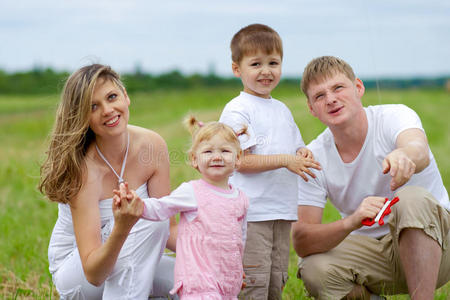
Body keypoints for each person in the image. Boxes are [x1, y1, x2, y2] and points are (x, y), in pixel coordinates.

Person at [292, 56, 450, 299]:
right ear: (312, 109)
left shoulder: (394, 116)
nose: (331, 99)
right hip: (374, 254)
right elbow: (302, 241)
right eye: (319, 96)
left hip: (438, 246)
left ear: (358, 88)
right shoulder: (313, 157)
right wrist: (351, 221)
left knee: (410, 198)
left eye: (338, 88)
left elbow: (418, 150)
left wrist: (405, 155)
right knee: (313, 268)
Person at [39, 64, 178, 299]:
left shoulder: (153, 145)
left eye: (112, 97)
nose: (107, 110)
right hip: (80, 273)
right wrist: (122, 228)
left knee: (194, 279)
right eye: (93, 106)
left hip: (130, 254)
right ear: (82, 117)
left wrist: (210, 260)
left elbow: (170, 228)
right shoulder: (82, 170)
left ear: (126, 96)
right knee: (147, 216)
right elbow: (94, 273)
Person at [219, 24, 321, 299]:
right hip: (252, 214)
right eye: (256, 63)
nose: (266, 71)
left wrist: (302, 154)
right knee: (254, 280)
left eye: (273, 62)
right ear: (237, 69)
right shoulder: (238, 109)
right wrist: (286, 160)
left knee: (276, 279)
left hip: (281, 211)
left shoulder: (281, 109)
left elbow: (296, 146)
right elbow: (238, 160)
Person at [113, 116, 249, 300]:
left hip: (226, 278)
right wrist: (138, 204)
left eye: (225, 151)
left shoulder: (240, 198)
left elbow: (239, 238)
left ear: (238, 157)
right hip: (199, 281)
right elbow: (162, 206)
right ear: (194, 159)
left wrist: (237, 267)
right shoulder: (192, 192)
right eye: (208, 151)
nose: (217, 157)